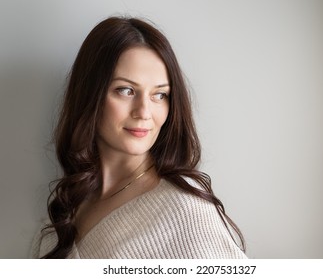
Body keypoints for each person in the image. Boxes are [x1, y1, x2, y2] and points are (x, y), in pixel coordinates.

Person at [31, 16, 247, 259]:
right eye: (126, 90)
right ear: (90, 94)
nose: (144, 112)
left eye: (160, 95)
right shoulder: (75, 199)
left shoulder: (186, 208)